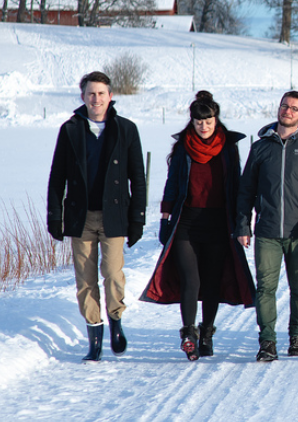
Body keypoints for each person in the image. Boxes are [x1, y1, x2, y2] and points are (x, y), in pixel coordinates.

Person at [139, 91, 255, 361]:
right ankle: (189, 333)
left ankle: (207, 335)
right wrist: (166, 217)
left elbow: (237, 185)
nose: (203, 126)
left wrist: (242, 222)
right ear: (191, 121)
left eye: (208, 120)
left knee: (212, 281)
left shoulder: (228, 146)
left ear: (216, 119)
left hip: (217, 223)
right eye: (198, 121)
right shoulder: (183, 147)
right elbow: (172, 183)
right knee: (191, 280)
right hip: (186, 223)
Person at [47, 71, 146, 362]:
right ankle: (95, 336)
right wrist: (56, 216)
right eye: (91, 93)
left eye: (101, 93)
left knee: (113, 273)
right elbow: (57, 177)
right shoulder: (70, 130)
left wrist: (137, 218)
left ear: (110, 96)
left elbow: (137, 179)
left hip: (114, 216)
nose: (96, 99)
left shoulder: (126, 130)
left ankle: (116, 321)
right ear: (83, 97)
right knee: (85, 280)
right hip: (81, 217)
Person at [236, 91, 298, 362]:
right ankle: (267, 342)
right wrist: (243, 225)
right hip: (267, 231)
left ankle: (297, 336)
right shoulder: (260, 147)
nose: (288, 111)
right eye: (285, 106)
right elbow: (246, 191)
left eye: (294, 108)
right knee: (265, 287)